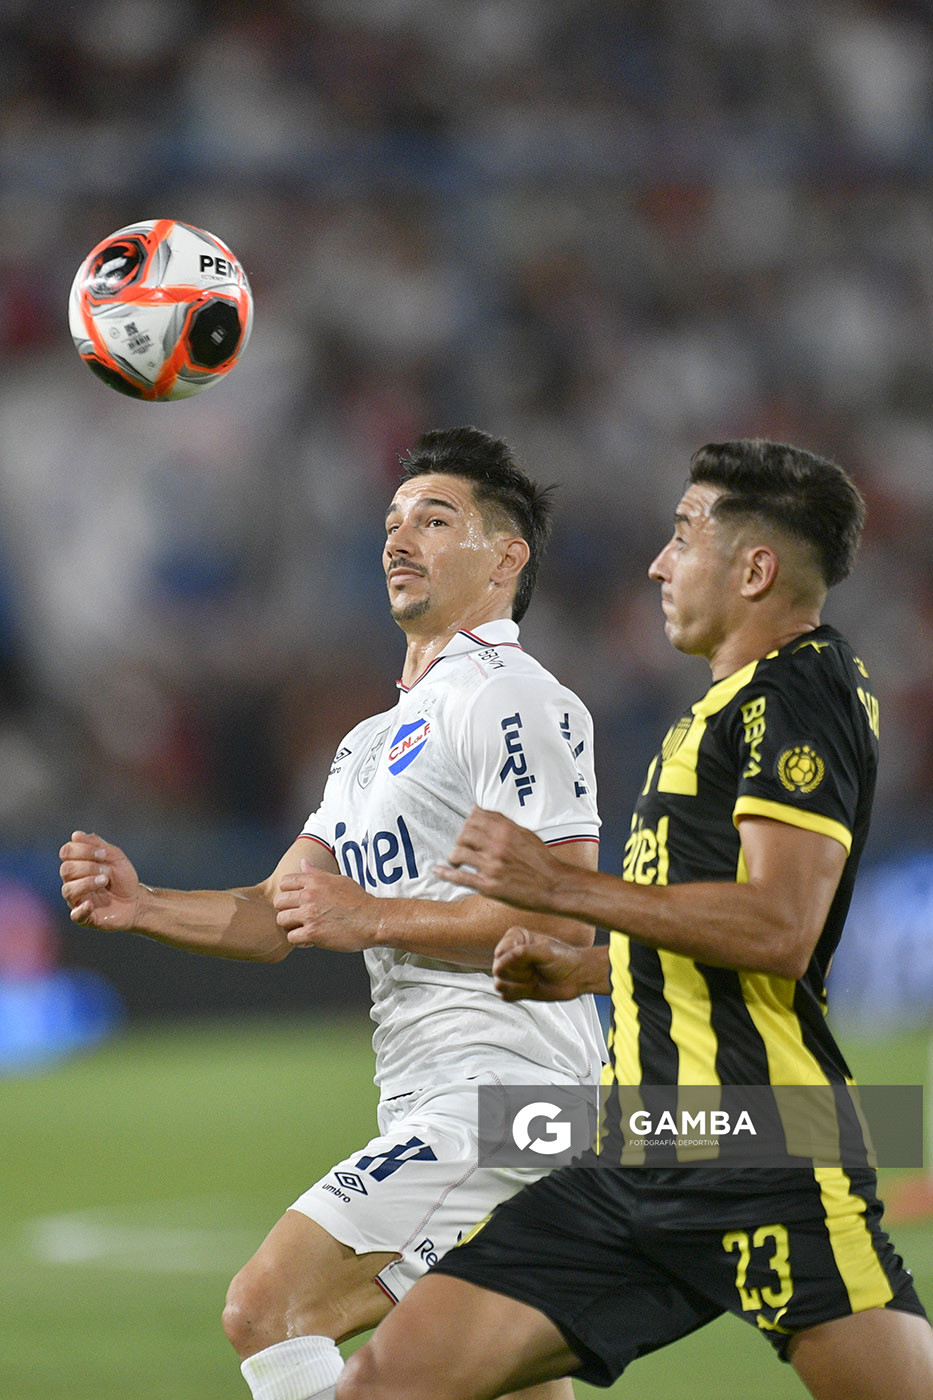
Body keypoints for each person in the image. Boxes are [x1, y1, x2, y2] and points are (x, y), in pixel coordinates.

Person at [336, 439, 933, 1400]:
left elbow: (779, 928)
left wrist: (562, 888)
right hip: (640, 1147)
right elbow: (709, 933)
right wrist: (593, 969)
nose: (659, 562)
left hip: (758, 1142)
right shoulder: (715, 711)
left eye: (683, 535)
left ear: (755, 568)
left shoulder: (800, 688)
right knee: (388, 1382)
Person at [58, 427, 605, 1400]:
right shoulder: (369, 741)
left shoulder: (511, 695)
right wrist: (145, 905)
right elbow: (282, 913)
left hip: (511, 1096)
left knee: (270, 1306)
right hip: (438, 1095)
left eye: (435, 520)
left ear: (506, 555)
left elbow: (564, 923)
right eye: (394, 521)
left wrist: (374, 915)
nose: (399, 538)